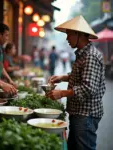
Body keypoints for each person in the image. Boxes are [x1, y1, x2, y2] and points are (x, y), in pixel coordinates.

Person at [46, 15, 106, 150]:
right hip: (79, 113)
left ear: (79, 35)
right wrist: (62, 77)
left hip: (86, 115)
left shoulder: (90, 56)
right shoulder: (82, 54)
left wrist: (61, 93)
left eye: (69, 35)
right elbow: (81, 76)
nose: (67, 38)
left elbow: (88, 88)